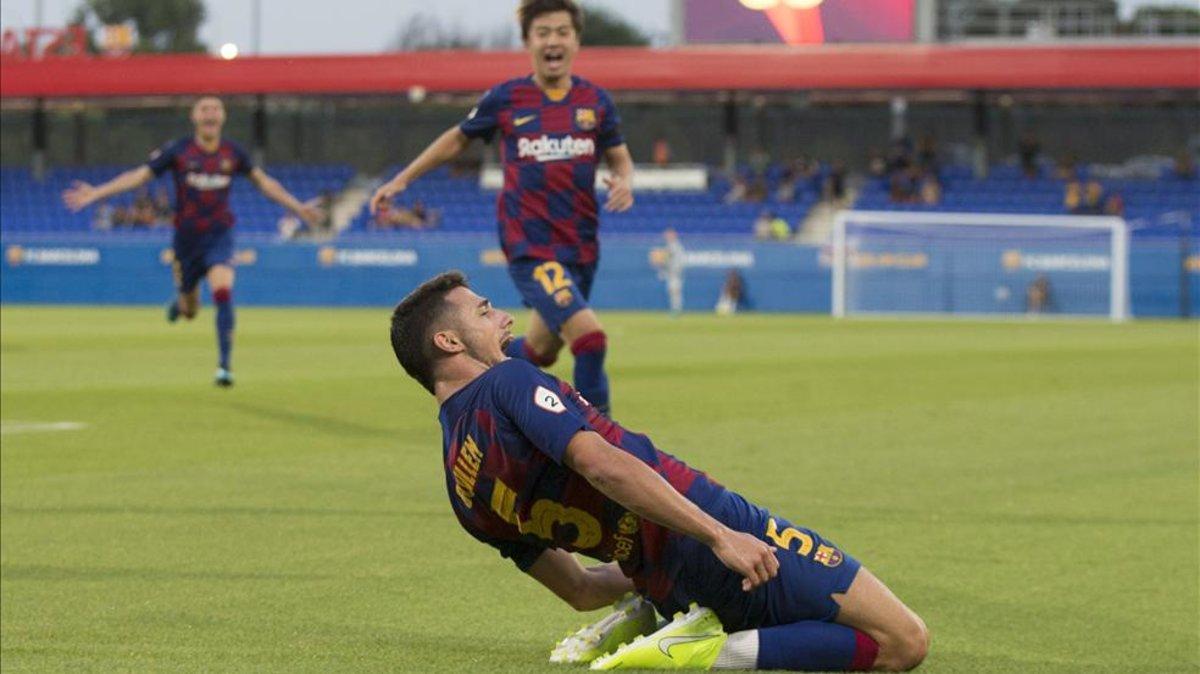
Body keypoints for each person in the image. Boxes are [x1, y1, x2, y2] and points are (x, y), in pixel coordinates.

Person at [388, 272, 929, 671]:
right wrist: (720, 535)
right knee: (902, 641)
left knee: (837, 639)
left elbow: (579, 589)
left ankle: (669, 624)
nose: (504, 317)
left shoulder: (460, 487)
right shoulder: (506, 382)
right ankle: (708, 651)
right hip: (704, 529)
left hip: (661, 580)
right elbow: (601, 465)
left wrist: (640, 588)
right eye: (484, 311)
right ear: (449, 341)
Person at [369, 0, 633, 415]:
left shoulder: (595, 102)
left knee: (542, 350)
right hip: (532, 246)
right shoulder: (508, 98)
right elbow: (457, 139)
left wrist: (625, 180)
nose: (553, 40)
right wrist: (404, 178)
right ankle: (602, 448)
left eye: (562, 32)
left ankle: (473, 390)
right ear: (528, 41)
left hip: (581, 247)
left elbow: (619, 155)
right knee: (590, 339)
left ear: (576, 40)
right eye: (543, 32)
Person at [63, 96, 322, 387]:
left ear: (222, 117)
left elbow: (264, 182)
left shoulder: (233, 152)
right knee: (190, 311)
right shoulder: (180, 150)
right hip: (186, 240)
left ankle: (224, 366)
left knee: (223, 290)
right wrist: (98, 193)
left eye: (215, 109)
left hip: (219, 235)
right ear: (194, 117)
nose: (210, 113)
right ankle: (180, 304)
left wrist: (297, 207)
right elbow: (139, 175)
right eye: (204, 109)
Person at [657, 228, 685, 315]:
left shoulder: (675, 246)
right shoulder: (670, 245)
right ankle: (675, 309)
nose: (666, 237)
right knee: (672, 291)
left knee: (675, 291)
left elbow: (670, 258)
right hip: (671, 273)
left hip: (675, 273)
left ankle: (676, 310)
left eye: (668, 235)